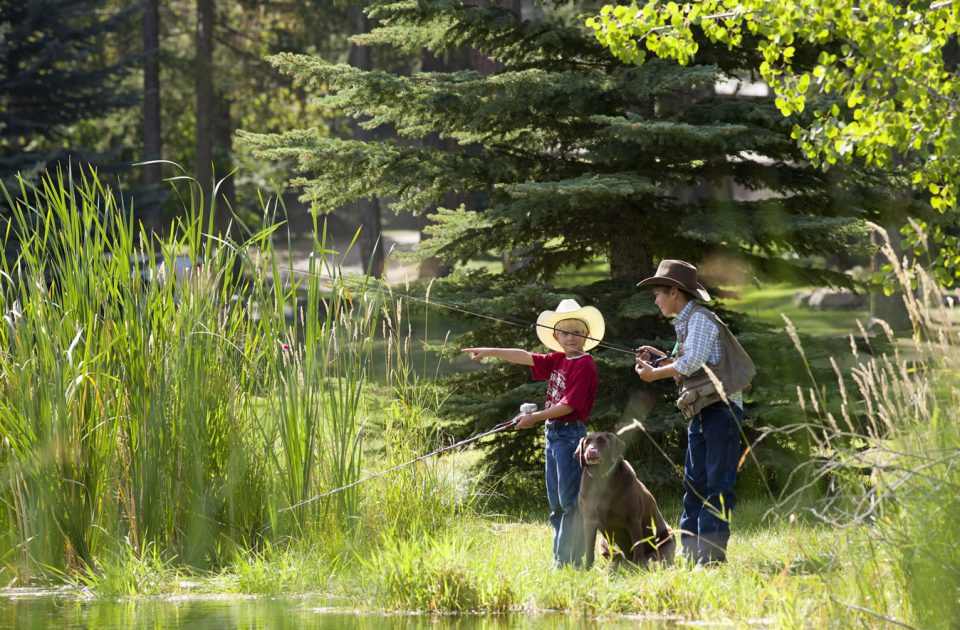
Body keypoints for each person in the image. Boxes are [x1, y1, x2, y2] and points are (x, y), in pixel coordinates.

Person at [463, 299, 604, 567]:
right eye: (565, 332)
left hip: (570, 436)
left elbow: (568, 406)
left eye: (577, 331)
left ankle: (570, 563)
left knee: (571, 502)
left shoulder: (584, 364)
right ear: (556, 337)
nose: (571, 337)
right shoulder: (560, 359)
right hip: (554, 435)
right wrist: (491, 350)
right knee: (557, 504)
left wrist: (533, 418)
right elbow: (526, 356)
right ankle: (559, 561)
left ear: (586, 334)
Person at [633, 260, 755, 566]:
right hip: (702, 411)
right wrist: (660, 359)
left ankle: (711, 559)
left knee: (717, 485)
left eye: (658, 293)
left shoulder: (701, 320)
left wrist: (653, 374)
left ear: (674, 292)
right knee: (694, 484)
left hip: (721, 411)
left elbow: (690, 364)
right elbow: (687, 363)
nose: (656, 300)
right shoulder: (686, 324)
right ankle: (690, 556)